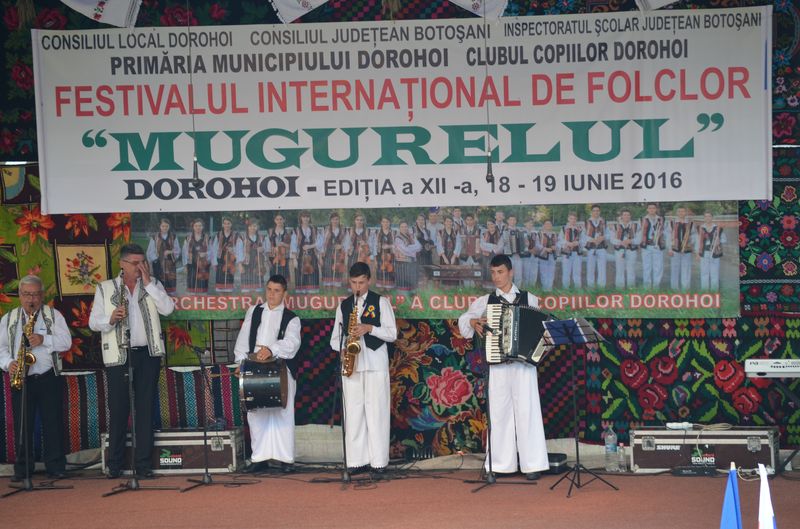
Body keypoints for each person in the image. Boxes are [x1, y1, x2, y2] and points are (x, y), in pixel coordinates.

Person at [457, 254, 549, 480]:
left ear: (510, 272)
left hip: (524, 364)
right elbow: (464, 320)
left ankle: (532, 464)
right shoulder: (485, 301)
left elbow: (540, 329)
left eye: (500, 272)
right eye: (493, 273)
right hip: (497, 363)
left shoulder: (530, 299)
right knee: (499, 412)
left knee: (528, 411)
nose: (496, 277)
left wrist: (536, 351)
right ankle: (501, 464)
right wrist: (473, 322)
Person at [89, 244, 175, 479]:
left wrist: (149, 284)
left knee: (145, 409)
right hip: (119, 355)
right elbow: (93, 322)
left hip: (147, 355)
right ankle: (115, 465)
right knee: (118, 410)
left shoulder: (153, 284)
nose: (140, 267)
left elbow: (168, 309)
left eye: (143, 262)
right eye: (135, 263)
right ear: (122, 264)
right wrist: (110, 319)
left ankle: (143, 465)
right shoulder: (106, 288)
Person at [0, 275, 71, 481]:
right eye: (26, 294)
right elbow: (1, 348)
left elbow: (66, 342)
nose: (31, 299)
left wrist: (43, 339)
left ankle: (55, 467)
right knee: (23, 424)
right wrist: (9, 363)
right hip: (21, 378)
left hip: (48, 377)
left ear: (42, 295)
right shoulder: (9, 319)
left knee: (53, 422)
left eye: (35, 295)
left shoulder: (54, 315)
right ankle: (23, 469)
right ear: (20, 295)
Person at [330, 262, 397, 473]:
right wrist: (343, 348)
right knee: (353, 413)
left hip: (375, 363)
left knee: (377, 413)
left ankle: (379, 462)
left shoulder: (381, 302)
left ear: (369, 280)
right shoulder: (344, 306)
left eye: (361, 282)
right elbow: (334, 339)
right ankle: (355, 461)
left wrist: (369, 328)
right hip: (353, 365)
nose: (357, 287)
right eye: (353, 283)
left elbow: (392, 334)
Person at [234, 275, 301, 473]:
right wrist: (240, 363)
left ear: (285, 293)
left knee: (283, 413)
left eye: (277, 291)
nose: (272, 294)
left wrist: (272, 349)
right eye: (269, 290)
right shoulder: (254, 311)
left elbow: (292, 343)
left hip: (280, 368)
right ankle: (259, 457)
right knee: (256, 412)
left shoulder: (292, 318)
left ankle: (286, 459)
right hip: (253, 366)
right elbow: (244, 339)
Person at [146, 217, 180, 296]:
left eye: (166, 226)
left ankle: (171, 295)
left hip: (170, 263)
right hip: (158, 263)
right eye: (163, 226)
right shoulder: (155, 237)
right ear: (160, 226)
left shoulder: (173, 237)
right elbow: (150, 251)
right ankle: (160, 295)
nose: (165, 228)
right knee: (159, 279)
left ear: (169, 226)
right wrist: (156, 258)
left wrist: (170, 252)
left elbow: (177, 250)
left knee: (170, 279)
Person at [210, 216, 243, 293]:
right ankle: (220, 294)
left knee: (229, 280)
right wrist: (214, 262)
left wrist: (233, 250)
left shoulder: (236, 235)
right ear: (222, 225)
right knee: (219, 282)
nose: (226, 225)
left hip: (231, 260)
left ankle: (229, 293)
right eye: (225, 223)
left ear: (231, 224)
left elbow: (240, 249)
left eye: (228, 223)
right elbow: (214, 249)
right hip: (220, 260)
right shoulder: (218, 235)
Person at [696, 212, 727, 290]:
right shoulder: (700, 228)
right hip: (704, 253)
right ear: (704, 218)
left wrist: (719, 241)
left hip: (715, 253)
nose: (707, 218)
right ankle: (705, 291)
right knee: (704, 273)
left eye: (709, 216)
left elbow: (724, 239)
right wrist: (697, 253)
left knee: (715, 273)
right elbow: (697, 241)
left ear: (712, 217)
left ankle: (714, 291)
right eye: (706, 216)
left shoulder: (718, 228)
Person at [669, 206, 695, 291]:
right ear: (677, 213)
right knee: (674, 269)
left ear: (685, 213)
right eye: (679, 211)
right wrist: (670, 249)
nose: (681, 213)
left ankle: (685, 288)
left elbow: (694, 234)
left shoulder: (690, 223)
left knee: (686, 269)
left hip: (686, 250)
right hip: (675, 249)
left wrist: (690, 242)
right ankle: (674, 288)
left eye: (683, 211)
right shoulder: (672, 223)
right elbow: (668, 235)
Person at [641, 203, 666, 289]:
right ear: (647, 209)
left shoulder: (661, 219)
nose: (652, 210)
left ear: (656, 209)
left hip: (658, 246)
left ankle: (656, 287)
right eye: (650, 208)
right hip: (646, 246)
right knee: (646, 267)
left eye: (653, 208)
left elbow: (665, 232)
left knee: (658, 267)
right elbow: (639, 232)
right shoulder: (642, 219)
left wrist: (662, 238)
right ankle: (647, 287)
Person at [293, 211, 320, 293]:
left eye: (307, 217)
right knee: (300, 271)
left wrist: (310, 246)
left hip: (312, 254)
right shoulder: (297, 230)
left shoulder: (314, 229)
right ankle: (301, 290)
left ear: (310, 218)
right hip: (300, 254)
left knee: (313, 270)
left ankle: (312, 290)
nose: (306, 219)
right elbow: (293, 245)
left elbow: (319, 242)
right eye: (304, 217)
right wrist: (294, 259)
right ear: (300, 218)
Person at [612, 209, 639, 289]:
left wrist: (631, 241)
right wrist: (621, 242)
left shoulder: (636, 226)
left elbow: (639, 238)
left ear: (630, 216)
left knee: (631, 270)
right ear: (621, 216)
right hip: (619, 250)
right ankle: (620, 288)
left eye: (628, 215)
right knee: (619, 270)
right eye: (624, 215)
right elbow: (612, 239)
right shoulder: (615, 226)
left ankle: (631, 288)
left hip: (631, 250)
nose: (626, 216)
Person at [182, 218, 211, 294]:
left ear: (203, 227)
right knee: (192, 285)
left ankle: (202, 298)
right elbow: (184, 252)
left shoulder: (207, 238)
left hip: (203, 265)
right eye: (196, 226)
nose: (198, 227)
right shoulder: (188, 238)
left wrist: (205, 254)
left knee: (202, 287)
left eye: (200, 226)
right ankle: (193, 299)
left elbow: (211, 251)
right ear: (193, 227)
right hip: (191, 265)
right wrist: (185, 265)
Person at [240, 218, 268, 293]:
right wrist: (240, 265)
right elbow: (239, 252)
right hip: (246, 265)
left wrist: (262, 249)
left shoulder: (261, 238)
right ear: (248, 227)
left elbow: (266, 250)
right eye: (251, 226)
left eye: (255, 226)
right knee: (246, 291)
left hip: (257, 264)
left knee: (258, 290)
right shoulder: (242, 237)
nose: (253, 228)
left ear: (257, 227)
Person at [320, 212, 347, 288]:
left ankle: (336, 285)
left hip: (339, 252)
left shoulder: (343, 230)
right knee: (327, 268)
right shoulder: (326, 229)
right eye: (333, 219)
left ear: (339, 220)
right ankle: (328, 286)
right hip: (328, 252)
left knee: (338, 268)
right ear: (330, 220)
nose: (335, 221)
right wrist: (321, 254)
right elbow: (322, 242)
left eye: (337, 219)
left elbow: (347, 242)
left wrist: (341, 246)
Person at [394, 220, 422, 291]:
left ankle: (412, 294)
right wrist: (414, 249)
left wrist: (410, 248)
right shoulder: (398, 238)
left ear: (407, 227)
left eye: (405, 226)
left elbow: (419, 247)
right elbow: (405, 250)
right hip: (402, 263)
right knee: (403, 283)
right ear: (399, 228)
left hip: (412, 262)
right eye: (402, 227)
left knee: (412, 282)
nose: (404, 228)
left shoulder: (410, 236)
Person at [584, 205, 608, 289]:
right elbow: (583, 236)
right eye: (594, 211)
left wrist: (603, 237)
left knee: (602, 270)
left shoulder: (604, 222)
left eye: (597, 210)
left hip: (602, 248)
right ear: (591, 212)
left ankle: (601, 289)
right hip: (591, 248)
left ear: (599, 212)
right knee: (590, 269)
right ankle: (590, 288)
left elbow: (609, 234)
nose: (596, 212)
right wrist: (592, 240)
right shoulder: (586, 222)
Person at [558, 212, 583, 289]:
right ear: (568, 219)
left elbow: (584, 240)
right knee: (566, 273)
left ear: (576, 219)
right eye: (571, 218)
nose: (573, 220)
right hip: (566, 253)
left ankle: (578, 290)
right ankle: (566, 290)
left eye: (574, 219)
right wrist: (567, 243)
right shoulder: (563, 228)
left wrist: (578, 242)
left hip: (577, 253)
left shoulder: (580, 229)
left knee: (577, 273)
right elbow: (560, 240)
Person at [266, 213, 293, 283]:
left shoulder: (288, 232)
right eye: (277, 219)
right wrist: (270, 253)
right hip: (273, 256)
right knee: (274, 274)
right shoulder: (270, 231)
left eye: (281, 219)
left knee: (284, 274)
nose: (279, 221)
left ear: (284, 220)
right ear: (275, 220)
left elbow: (292, 246)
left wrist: (283, 244)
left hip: (284, 256)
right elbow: (267, 246)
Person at [373, 216, 395, 289]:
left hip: (390, 256)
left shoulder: (393, 233)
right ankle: (381, 285)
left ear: (390, 223)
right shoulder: (377, 233)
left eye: (387, 222)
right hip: (380, 256)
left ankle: (388, 285)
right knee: (380, 271)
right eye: (384, 222)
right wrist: (375, 259)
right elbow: (374, 247)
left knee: (389, 271)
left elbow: (396, 245)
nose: (385, 223)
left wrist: (389, 246)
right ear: (381, 223)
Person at [536, 220, 558, 292]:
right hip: (543, 256)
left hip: (552, 256)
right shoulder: (540, 234)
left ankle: (549, 289)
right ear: (544, 225)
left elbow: (558, 244)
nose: (548, 225)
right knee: (544, 273)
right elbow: (537, 244)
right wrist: (545, 249)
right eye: (546, 224)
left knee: (551, 273)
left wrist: (556, 247)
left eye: (550, 224)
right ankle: (545, 290)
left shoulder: (554, 234)